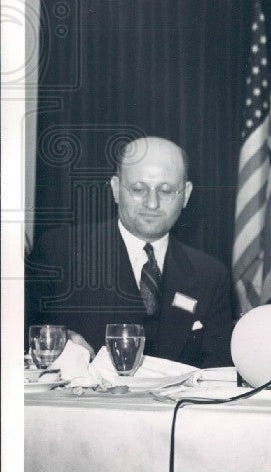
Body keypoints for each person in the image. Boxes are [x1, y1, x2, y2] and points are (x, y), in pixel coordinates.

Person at [25, 136, 234, 368]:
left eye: (166, 191)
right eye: (138, 189)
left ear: (185, 194)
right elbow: (14, 336)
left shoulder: (210, 275)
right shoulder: (60, 253)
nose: (152, 203)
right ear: (115, 189)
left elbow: (219, 371)